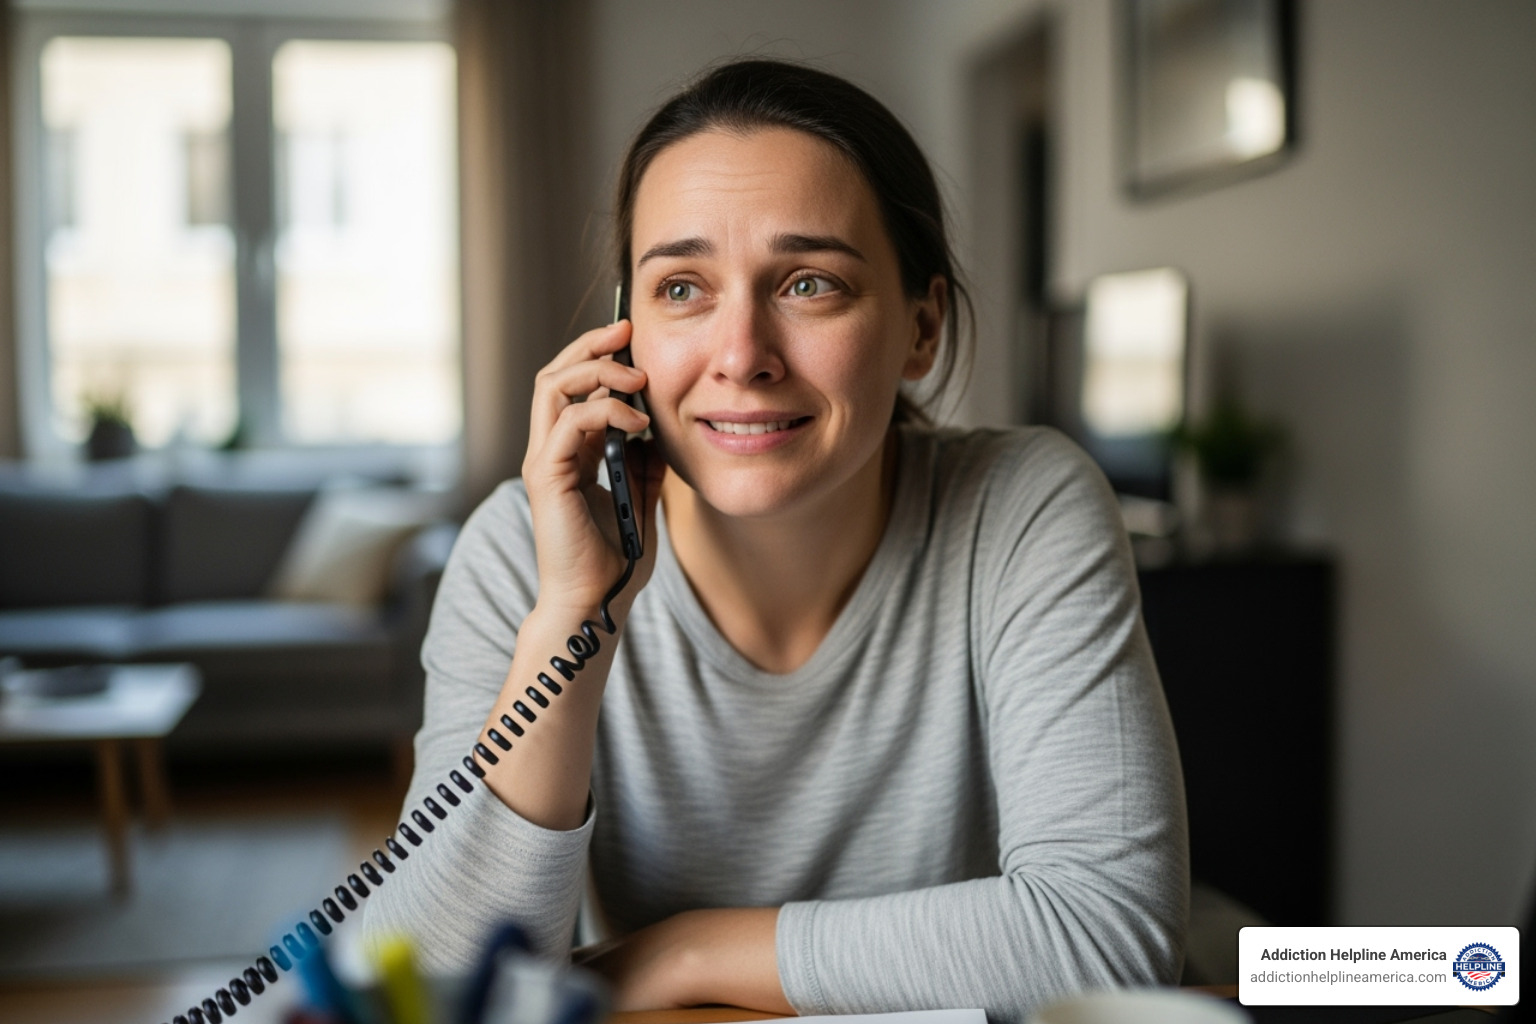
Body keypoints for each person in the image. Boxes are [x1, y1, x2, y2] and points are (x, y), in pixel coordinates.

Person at [360, 58, 1188, 1023]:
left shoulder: (1023, 507)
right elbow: (439, 990)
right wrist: (574, 623)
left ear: (921, 330)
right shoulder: (523, 551)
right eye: (681, 289)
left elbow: (1110, 938)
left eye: (808, 283)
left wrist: (685, 951)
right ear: (624, 338)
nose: (742, 354)